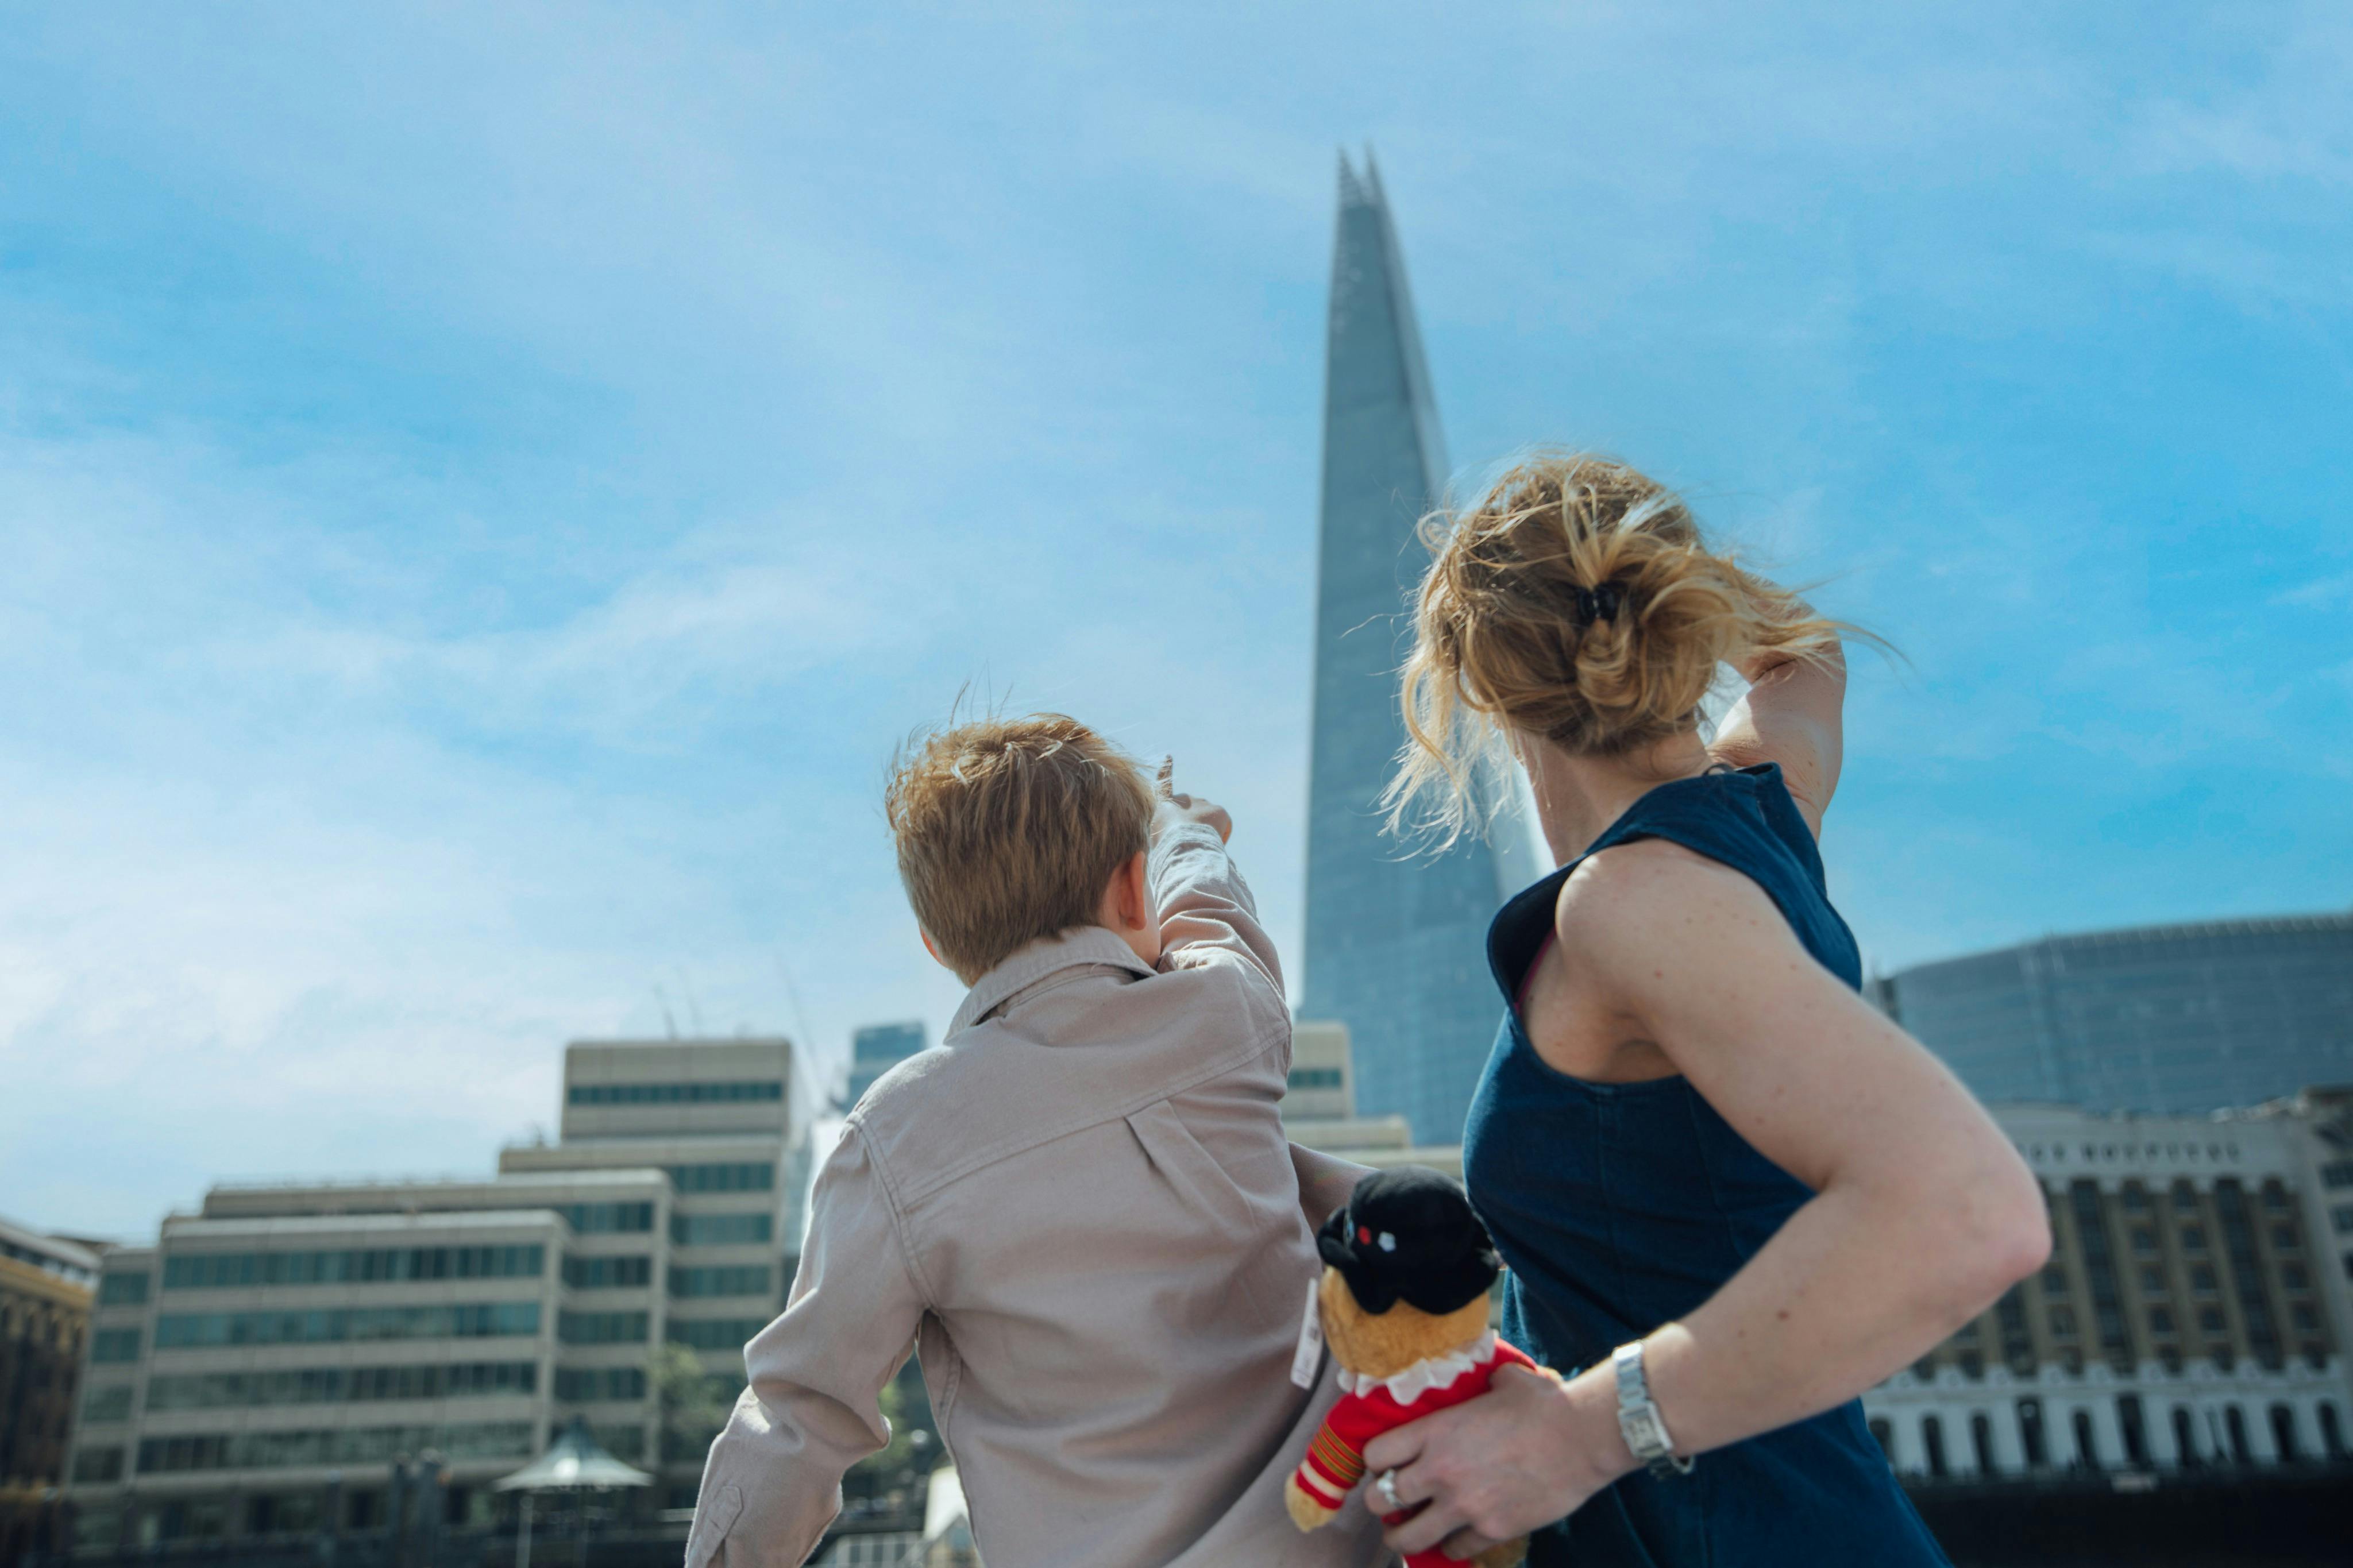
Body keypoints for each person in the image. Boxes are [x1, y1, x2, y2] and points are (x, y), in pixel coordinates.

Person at [1361, 454, 2051, 1565]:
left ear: (1479, 684)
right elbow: (1805, 650)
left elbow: (1972, 1211)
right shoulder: (1769, 803)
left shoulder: (1636, 901)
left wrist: (1581, 1437)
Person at [684, 713, 1384, 1568]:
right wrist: (1186, 833)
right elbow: (1211, 910)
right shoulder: (1227, 1011)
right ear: (1135, 891)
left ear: (938, 944)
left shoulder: (900, 1133)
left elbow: (798, 1417)